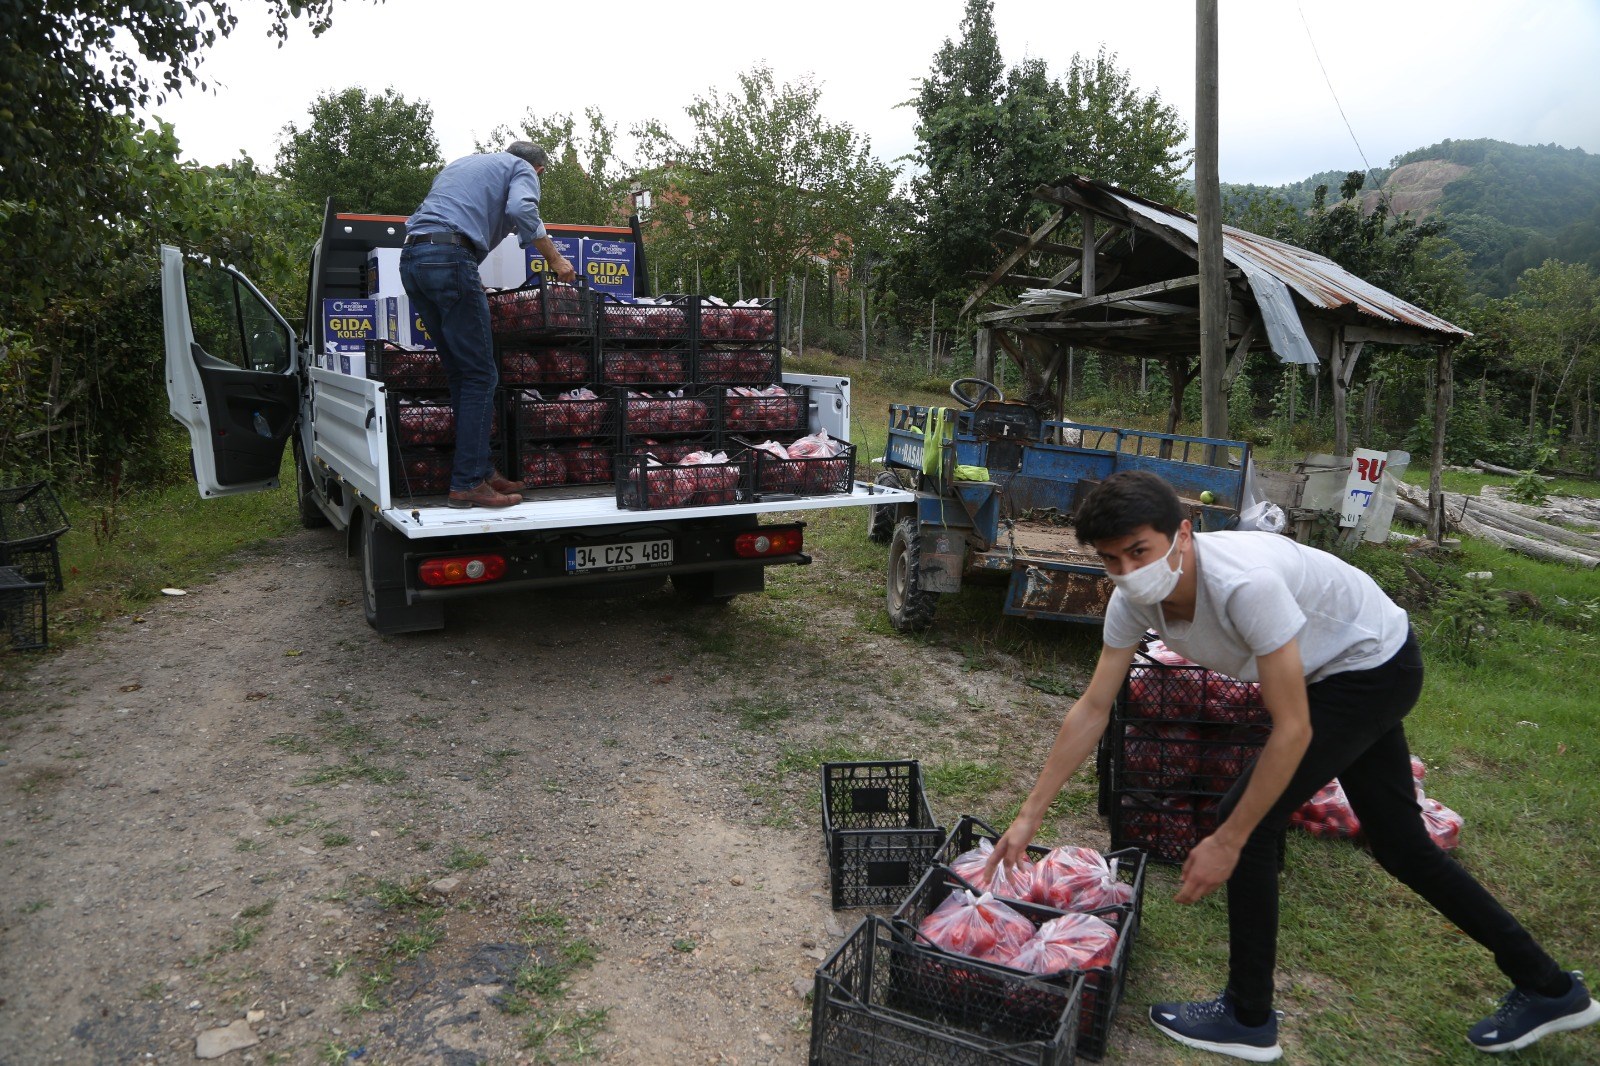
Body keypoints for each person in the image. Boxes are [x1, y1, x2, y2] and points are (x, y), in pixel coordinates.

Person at [985, 470, 1596, 1062]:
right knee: (1402, 847)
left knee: (1246, 823)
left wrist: (1227, 838)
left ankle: (1248, 1018)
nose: (1128, 572)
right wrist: (1027, 816)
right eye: (1111, 559)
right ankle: (1550, 989)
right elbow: (1093, 708)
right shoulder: (1132, 603)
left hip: (1370, 667)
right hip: (1335, 671)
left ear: (1185, 531)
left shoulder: (1244, 586)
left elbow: (1295, 726)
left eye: (1139, 551)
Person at [400, 142, 578, 508]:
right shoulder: (521, 169)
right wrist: (557, 260)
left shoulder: (464, 164)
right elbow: (521, 208)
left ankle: (480, 471)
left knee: (461, 374)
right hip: (450, 256)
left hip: (414, 260)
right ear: (539, 170)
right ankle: (466, 483)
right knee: (482, 376)